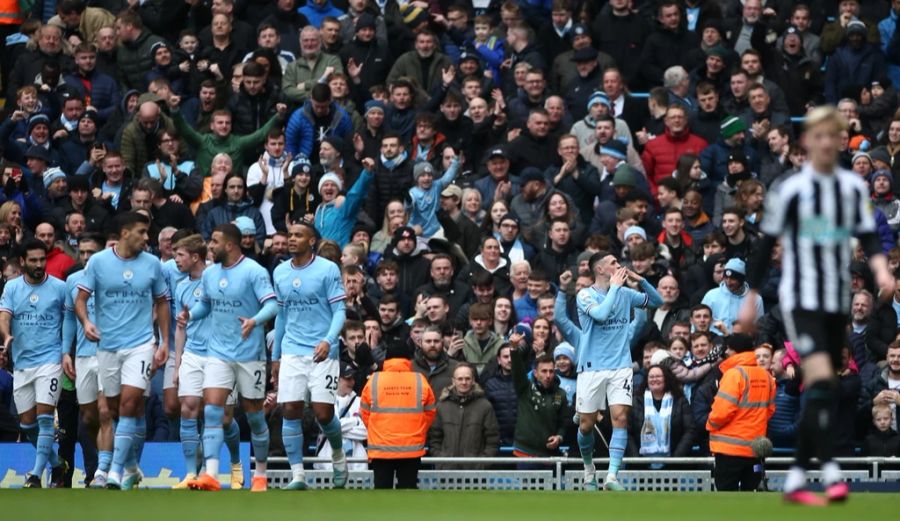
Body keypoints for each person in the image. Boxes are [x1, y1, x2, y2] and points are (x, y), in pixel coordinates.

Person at [744, 106, 895, 505]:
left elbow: (870, 235)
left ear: (841, 141)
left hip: (834, 300)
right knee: (822, 380)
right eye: (819, 135)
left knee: (824, 387)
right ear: (807, 141)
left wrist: (881, 271)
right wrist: (751, 297)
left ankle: (796, 476)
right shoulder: (788, 189)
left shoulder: (852, 187)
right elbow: (763, 248)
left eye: (834, 135)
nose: (827, 142)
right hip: (800, 299)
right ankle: (827, 470)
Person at [179, 223, 278, 492]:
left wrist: (254, 321)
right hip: (218, 352)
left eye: (214, 241)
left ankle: (259, 474)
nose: (210, 246)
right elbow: (207, 304)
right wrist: (191, 314)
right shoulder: (210, 274)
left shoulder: (253, 272)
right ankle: (211, 474)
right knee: (212, 410)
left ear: (230, 245)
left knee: (255, 416)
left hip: (250, 355)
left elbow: (272, 304)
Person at [74, 212, 170, 489]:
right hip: (107, 345)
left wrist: (163, 341)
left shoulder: (152, 264)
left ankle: (114, 471)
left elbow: (162, 302)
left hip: (140, 344)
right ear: (125, 232)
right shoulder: (99, 262)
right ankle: (131, 467)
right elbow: (81, 299)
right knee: (113, 408)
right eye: (141, 232)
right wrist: (86, 321)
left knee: (129, 404)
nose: (146, 237)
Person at [575, 251, 663, 490]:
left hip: (620, 365)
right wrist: (615, 288)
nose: (619, 265)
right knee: (586, 424)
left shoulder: (625, 293)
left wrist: (641, 281)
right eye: (613, 263)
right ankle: (589, 469)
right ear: (601, 270)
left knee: (620, 419)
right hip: (591, 367)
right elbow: (601, 315)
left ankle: (612, 476)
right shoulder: (585, 295)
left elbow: (657, 302)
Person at [272, 221, 349, 489]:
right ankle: (298, 475)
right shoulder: (280, 272)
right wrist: (275, 355)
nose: (291, 239)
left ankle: (338, 456)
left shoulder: (327, 270)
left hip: (322, 351)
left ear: (312, 241)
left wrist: (329, 340)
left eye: (298, 235)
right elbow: (281, 316)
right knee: (290, 409)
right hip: (292, 350)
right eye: (289, 235)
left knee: (323, 413)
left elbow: (340, 311)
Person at [0, 239, 68, 487]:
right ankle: (58, 465)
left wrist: (67, 351)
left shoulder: (60, 288)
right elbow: (4, 314)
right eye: (34, 260)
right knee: (27, 423)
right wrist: (6, 335)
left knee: (45, 418)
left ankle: (36, 474)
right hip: (22, 363)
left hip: (50, 360)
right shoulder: (12, 287)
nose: (39, 265)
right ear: (22, 262)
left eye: (43, 260)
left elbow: (69, 321)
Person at [61, 234, 114, 488]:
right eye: (81, 253)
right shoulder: (72, 281)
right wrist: (65, 353)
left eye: (90, 253)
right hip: (81, 356)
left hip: (109, 353)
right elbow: (70, 319)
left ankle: (103, 471)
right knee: (89, 417)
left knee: (105, 413)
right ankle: (105, 462)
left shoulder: (113, 278)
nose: (85, 258)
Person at [360, 342, 436, 489]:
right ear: (409, 359)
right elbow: (430, 412)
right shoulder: (419, 380)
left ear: (387, 358)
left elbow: (364, 412)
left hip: (381, 449)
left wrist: (377, 429)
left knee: (382, 494)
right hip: (411, 448)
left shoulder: (374, 380)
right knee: (408, 494)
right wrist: (417, 428)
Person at [706, 334, 776, 492]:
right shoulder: (766, 375)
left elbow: (722, 412)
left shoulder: (733, 375)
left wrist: (710, 424)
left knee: (726, 498)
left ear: (732, 350)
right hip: (755, 449)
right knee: (751, 495)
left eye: (727, 349)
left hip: (729, 449)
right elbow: (770, 410)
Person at [428, 363, 500, 468]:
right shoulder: (442, 406)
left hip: (475, 474)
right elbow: (434, 438)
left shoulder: (485, 406)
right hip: (446, 472)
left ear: (473, 380)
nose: (464, 382)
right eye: (460, 379)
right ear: (453, 381)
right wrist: (441, 460)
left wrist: (482, 464)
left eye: (467, 378)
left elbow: (493, 440)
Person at [628, 364, 695, 457]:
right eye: (651, 377)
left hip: (674, 463)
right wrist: (636, 459)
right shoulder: (635, 402)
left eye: (658, 376)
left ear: (666, 379)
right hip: (640, 464)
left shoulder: (680, 401)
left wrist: (675, 458)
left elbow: (690, 431)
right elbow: (627, 432)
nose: (654, 379)